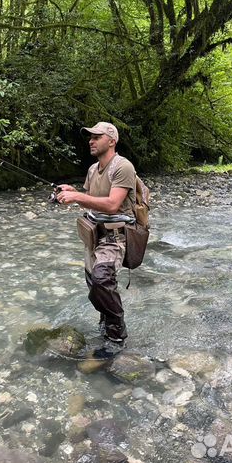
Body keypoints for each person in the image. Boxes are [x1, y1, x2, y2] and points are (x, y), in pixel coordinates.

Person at [56, 121, 136, 352]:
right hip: (94, 235)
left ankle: (117, 337)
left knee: (102, 280)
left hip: (116, 237)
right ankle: (105, 325)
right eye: (90, 137)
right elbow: (92, 198)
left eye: (96, 137)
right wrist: (71, 192)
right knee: (93, 284)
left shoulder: (123, 166)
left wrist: (77, 197)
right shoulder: (93, 169)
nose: (91, 141)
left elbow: (112, 204)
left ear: (112, 141)